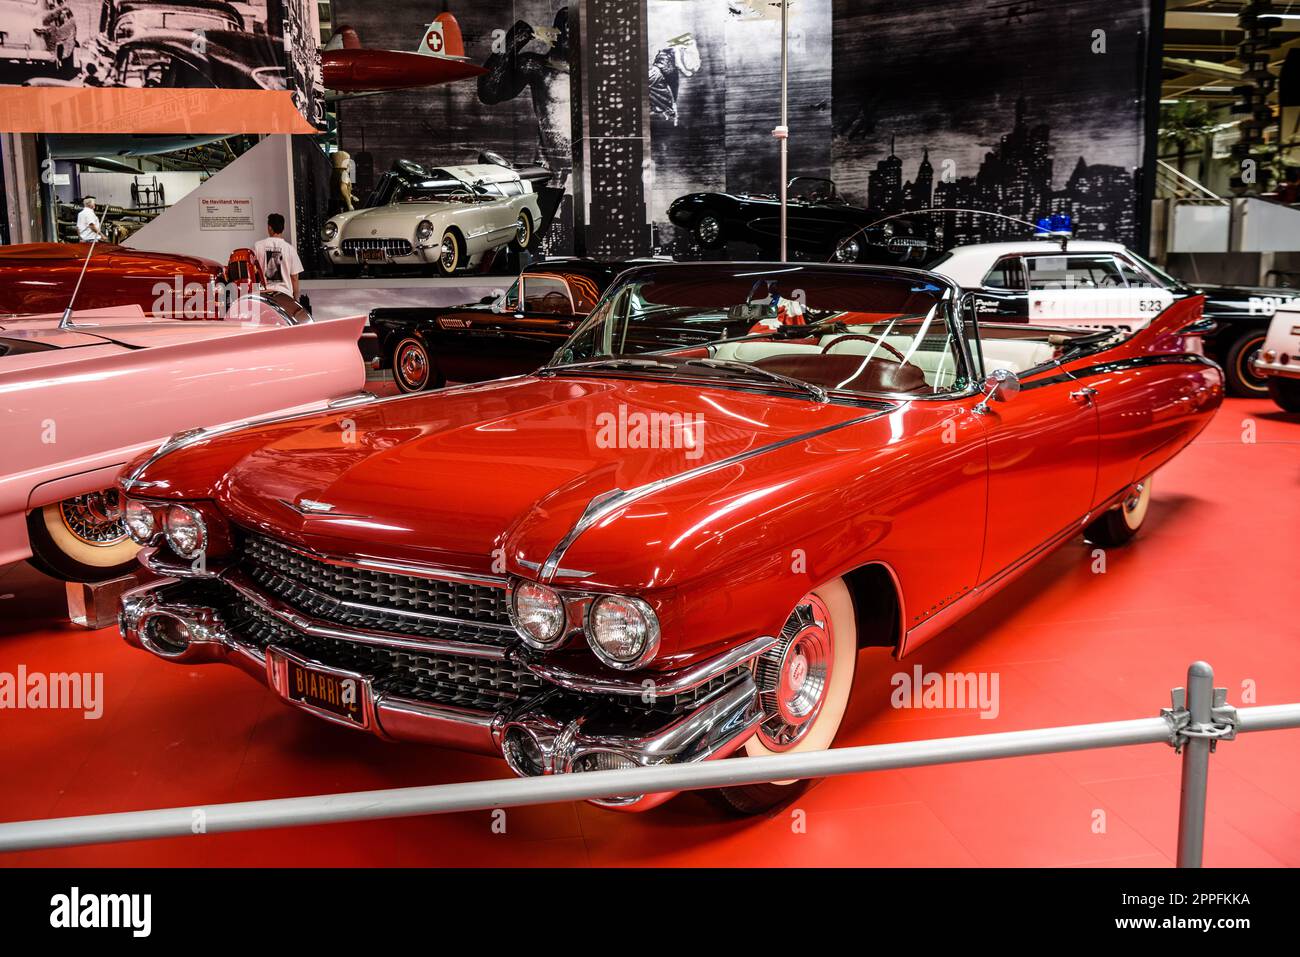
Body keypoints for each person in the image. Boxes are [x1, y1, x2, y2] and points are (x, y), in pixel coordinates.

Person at [253, 213, 304, 300]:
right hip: (285, 296)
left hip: (263, 295)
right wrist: (296, 299)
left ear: (269, 227)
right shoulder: (290, 249)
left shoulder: (257, 246)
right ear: (283, 228)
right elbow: (295, 278)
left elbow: (252, 272)